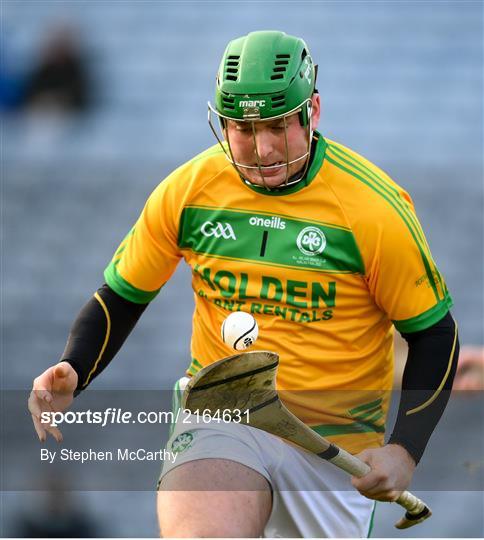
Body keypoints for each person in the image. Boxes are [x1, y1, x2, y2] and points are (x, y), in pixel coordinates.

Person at [29, 30, 460, 537]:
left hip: (334, 450)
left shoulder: (373, 209)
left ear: (313, 112)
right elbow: (123, 294)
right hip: (222, 412)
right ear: (220, 123)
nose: (263, 148)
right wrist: (75, 366)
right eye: (243, 128)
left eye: (279, 125)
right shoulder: (189, 189)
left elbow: (434, 334)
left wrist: (405, 448)